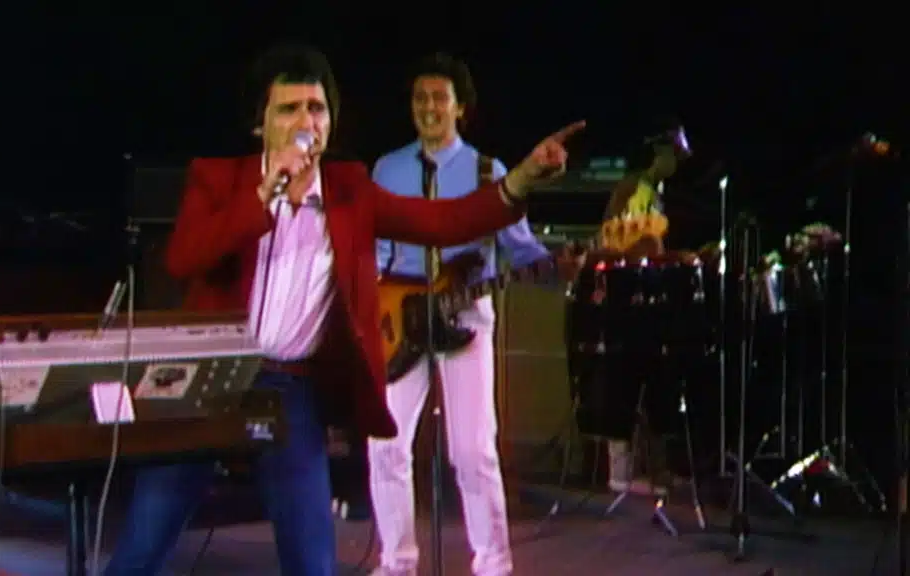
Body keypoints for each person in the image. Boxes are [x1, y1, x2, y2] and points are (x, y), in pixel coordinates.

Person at [102, 43, 585, 576]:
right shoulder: (218, 178)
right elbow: (184, 258)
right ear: (260, 124)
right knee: (145, 541)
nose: (305, 121)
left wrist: (520, 179)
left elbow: (442, 222)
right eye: (288, 109)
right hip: (214, 377)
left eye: (316, 109)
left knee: (313, 561)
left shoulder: (350, 189)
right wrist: (263, 194)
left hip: (288, 385)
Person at [367, 52, 549, 576]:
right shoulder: (386, 169)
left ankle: (492, 563)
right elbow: (374, 250)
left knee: (473, 451)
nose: (428, 107)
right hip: (399, 316)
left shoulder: (489, 172)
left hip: (464, 313)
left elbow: (520, 247)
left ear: (460, 108)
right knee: (385, 444)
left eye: (439, 98)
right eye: (420, 98)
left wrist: (554, 264)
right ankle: (396, 561)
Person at [595, 119, 691, 497]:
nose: (676, 163)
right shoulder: (635, 188)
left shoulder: (653, 191)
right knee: (627, 378)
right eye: (672, 155)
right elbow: (619, 239)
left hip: (644, 295)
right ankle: (621, 473)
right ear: (658, 153)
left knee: (653, 379)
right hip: (627, 297)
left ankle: (655, 470)